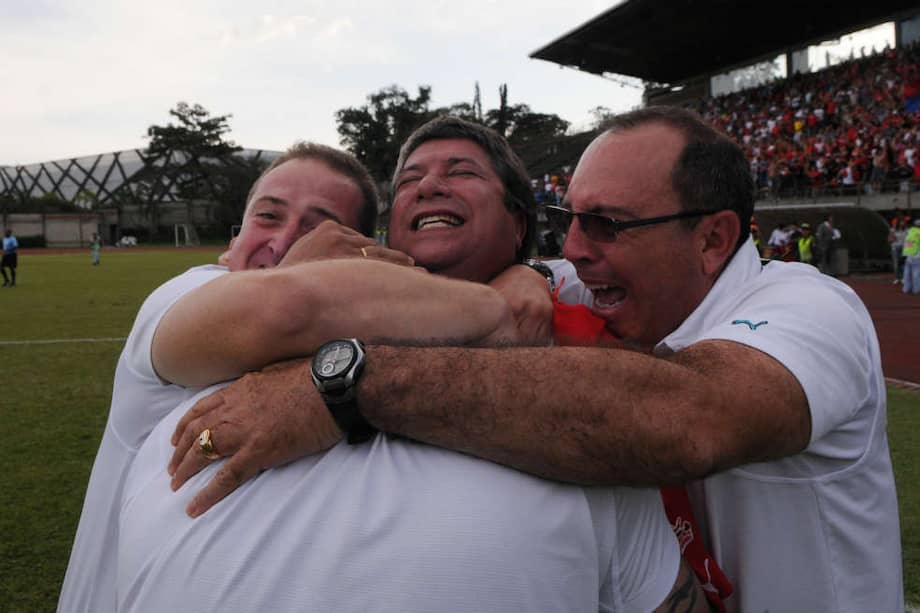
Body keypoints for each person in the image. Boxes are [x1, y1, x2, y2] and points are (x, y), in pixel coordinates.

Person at [173, 107, 902, 613]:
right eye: (569, 221)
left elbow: (691, 419)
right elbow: (534, 273)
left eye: (608, 224)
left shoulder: (811, 310)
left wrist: (349, 384)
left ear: (713, 240)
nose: (578, 249)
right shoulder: (591, 285)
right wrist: (518, 278)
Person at [62, 132, 701, 613]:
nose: (427, 186)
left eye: (461, 172)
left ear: (519, 226)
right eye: (411, 179)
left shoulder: (582, 372)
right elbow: (285, 305)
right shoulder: (199, 299)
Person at [902, 218, 920, 294]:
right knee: (916, 273)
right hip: (917, 255)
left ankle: (906, 289)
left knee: (907, 273)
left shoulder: (909, 231)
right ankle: (916, 290)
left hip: (908, 255)